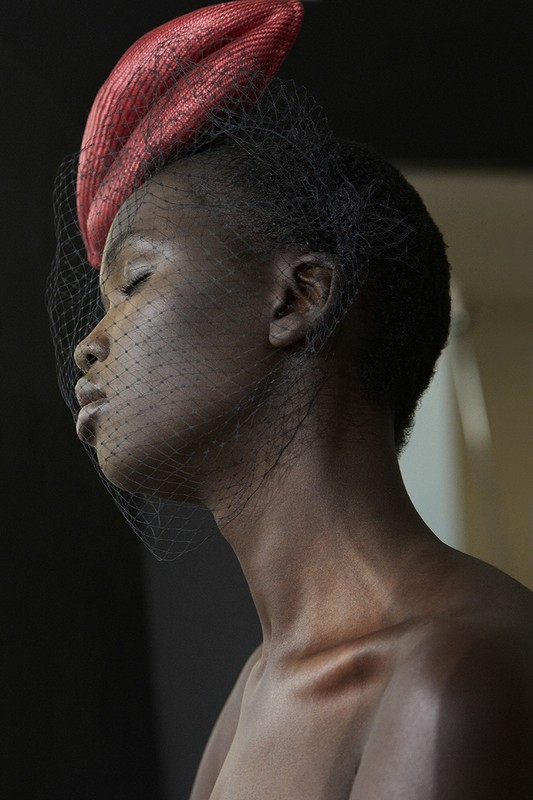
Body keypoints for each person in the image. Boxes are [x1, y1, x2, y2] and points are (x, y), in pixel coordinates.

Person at [49, 1, 533, 797]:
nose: (89, 344)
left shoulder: (450, 670)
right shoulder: (257, 691)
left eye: (134, 282)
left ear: (298, 298)